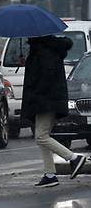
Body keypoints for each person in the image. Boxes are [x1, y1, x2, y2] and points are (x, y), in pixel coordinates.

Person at [22, 34, 87, 188]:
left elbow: (44, 78)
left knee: (41, 137)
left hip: (46, 101)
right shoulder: (46, 48)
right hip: (49, 100)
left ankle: (74, 158)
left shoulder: (43, 51)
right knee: (43, 136)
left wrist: (35, 94)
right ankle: (50, 174)